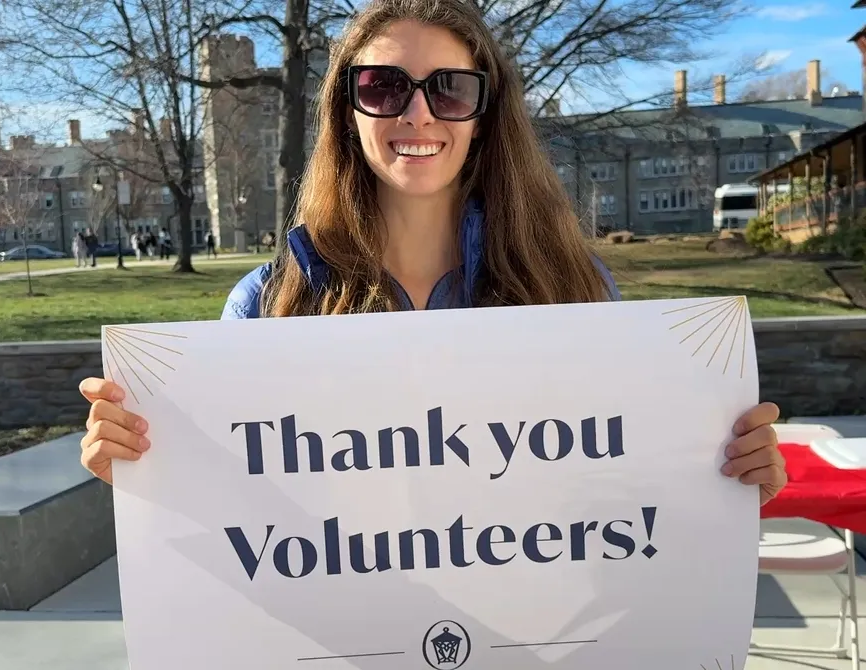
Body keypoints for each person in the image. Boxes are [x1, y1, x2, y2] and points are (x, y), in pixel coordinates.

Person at [77, 0, 786, 504]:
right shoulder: (270, 303)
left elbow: (627, 482)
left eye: (450, 89)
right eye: (383, 86)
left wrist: (719, 474)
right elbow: (238, 497)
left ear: (483, 116)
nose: (417, 114)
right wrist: (147, 471)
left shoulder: (572, 287)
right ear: (347, 114)